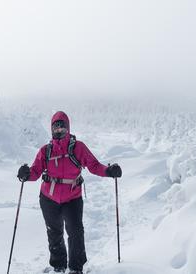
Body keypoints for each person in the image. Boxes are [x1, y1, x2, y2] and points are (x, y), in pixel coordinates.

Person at [17, 111, 122, 274]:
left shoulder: (78, 147)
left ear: (68, 128)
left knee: (75, 232)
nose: (59, 130)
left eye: (62, 127)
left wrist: (109, 171)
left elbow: (94, 165)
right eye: (55, 127)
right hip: (48, 198)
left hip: (72, 197)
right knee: (54, 232)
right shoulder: (45, 150)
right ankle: (58, 266)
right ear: (51, 129)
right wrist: (26, 174)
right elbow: (36, 171)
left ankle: (75, 268)